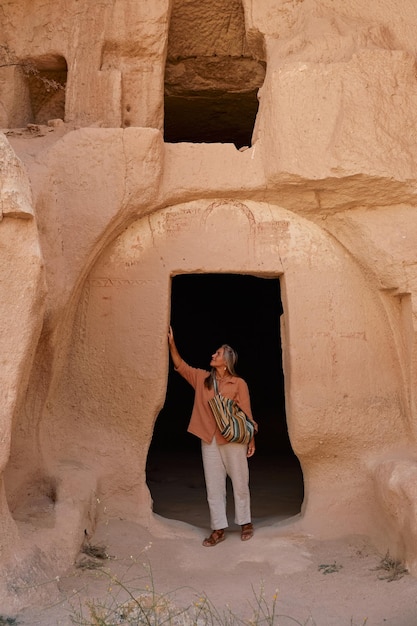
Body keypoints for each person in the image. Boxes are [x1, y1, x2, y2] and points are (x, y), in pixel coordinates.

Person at [168, 326, 258, 546]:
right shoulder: (202, 379)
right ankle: (218, 529)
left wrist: (251, 440)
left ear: (225, 362)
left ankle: (245, 523)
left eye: (217, 354)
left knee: (240, 483)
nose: (212, 355)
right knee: (214, 486)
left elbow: (247, 413)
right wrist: (171, 343)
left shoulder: (239, 384)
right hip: (209, 439)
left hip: (233, 440)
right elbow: (181, 366)